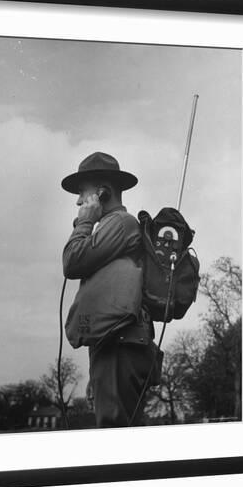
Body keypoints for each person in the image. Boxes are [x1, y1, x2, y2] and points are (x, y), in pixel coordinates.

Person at [61, 151, 155, 428]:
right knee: (113, 425)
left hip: (120, 344)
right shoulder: (112, 226)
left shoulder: (119, 223)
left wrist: (84, 221)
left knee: (116, 432)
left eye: (82, 192)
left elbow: (72, 262)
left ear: (103, 191)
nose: (78, 201)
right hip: (112, 343)